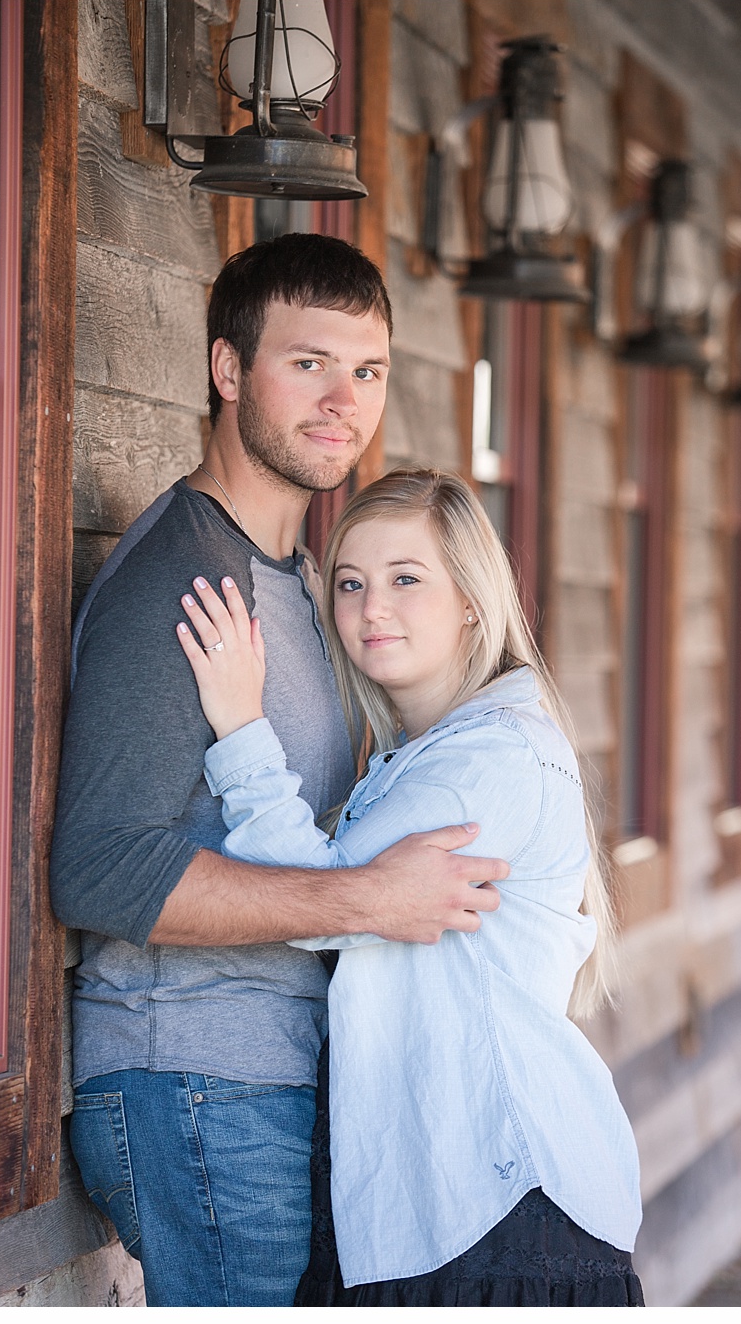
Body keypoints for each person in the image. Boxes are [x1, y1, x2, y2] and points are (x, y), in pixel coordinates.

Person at [50, 233, 507, 1306]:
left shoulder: (304, 579)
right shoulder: (185, 578)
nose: (343, 398)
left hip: (265, 1083)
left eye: (368, 370)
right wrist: (368, 899)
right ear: (227, 370)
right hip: (195, 1079)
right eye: (308, 363)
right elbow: (102, 866)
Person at [175, 468, 644, 1302]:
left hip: (502, 1215)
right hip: (449, 1210)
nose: (371, 608)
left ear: (471, 598)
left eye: (405, 580)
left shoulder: (490, 756)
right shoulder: (416, 758)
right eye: (350, 584)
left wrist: (243, 726)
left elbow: (331, 901)